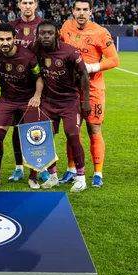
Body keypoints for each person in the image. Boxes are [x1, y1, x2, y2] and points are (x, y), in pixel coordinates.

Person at [60, 0, 119, 188]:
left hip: (93, 89)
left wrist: (90, 67)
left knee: (94, 129)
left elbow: (113, 60)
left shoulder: (101, 32)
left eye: (85, 9)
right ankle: (71, 170)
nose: (81, 13)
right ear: (73, 11)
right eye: (78, 9)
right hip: (70, 88)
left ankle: (98, 173)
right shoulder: (65, 27)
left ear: (91, 11)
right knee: (72, 130)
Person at [0, 23, 44, 188]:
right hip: (7, 100)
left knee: (33, 138)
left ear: (15, 39)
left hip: (27, 100)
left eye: (8, 39)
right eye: (1, 39)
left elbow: (39, 77)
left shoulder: (28, 56)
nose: (5, 43)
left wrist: (37, 96)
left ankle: (33, 177)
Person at [34, 20, 91, 192]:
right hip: (48, 102)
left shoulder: (70, 51)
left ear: (56, 33)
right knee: (46, 139)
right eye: (42, 33)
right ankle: (52, 176)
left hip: (69, 101)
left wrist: (86, 101)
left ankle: (80, 178)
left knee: (72, 136)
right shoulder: (35, 49)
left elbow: (84, 75)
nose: (46, 36)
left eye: (49, 33)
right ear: (38, 35)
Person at [8, 0, 44, 183]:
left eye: (31, 3)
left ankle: (42, 166)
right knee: (17, 127)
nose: (28, 6)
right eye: (25, 3)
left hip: (40, 82)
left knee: (39, 127)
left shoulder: (44, 26)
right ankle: (18, 167)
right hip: (16, 84)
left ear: (36, 4)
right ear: (19, 4)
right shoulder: (12, 26)